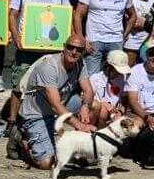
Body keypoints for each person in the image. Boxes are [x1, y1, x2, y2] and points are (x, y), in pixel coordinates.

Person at [16, 36, 95, 170]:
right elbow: (55, 105)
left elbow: (88, 90)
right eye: (70, 47)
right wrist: (80, 125)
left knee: (96, 106)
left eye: (79, 49)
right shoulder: (49, 66)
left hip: (62, 105)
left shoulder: (80, 62)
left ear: (83, 52)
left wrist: (85, 107)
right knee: (48, 163)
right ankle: (21, 137)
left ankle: (80, 151)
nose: (74, 52)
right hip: (37, 113)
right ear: (64, 47)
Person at [6, 0, 67, 124]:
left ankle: (49, 120)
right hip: (26, 50)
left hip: (52, 51)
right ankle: (12, 122)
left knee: (51, 87)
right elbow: (12, 14)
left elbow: (67, 17)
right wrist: (16, 38)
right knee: (19, 86)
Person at [73, 0, 133, 75]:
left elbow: (133, 16)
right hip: (93, 41)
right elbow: (78, 15)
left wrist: (124, 35)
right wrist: (81, 38)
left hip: (116, 40)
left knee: (115, 76)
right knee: (91, 77)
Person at [86, 49, 131, 126]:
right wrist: (104, 104)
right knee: (103, 111)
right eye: (117, 70)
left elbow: (124, 102)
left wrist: (120, 113)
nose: (119, 73)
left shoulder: (122, 79)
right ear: (109, 67)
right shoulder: (96, 78)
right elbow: (88, 101)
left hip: (114, 114)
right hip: (96, 113)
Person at [123, 0, 154, 64]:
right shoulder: (131, 2)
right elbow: (129, 21)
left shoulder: (153, 2)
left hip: (148, 43)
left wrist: (144, 24)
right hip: (132, 42)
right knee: (128, 68)